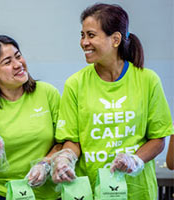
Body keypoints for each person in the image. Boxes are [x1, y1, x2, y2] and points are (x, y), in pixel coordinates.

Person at [52, 3, 173, 200]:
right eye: (82, 35)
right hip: (90, 190)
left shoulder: (147, 80)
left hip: (137, 190)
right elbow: (72, 141)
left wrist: (135, 160)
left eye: (91, 35)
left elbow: (158, 139)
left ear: (115, 39)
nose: (84, 42)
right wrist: (65, 159)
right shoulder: (75, 84)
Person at [0, 35, 62, 200]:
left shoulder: (47, 93)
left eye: (18, 56)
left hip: (46, 195)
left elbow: (64, 141)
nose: (18, 64)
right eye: (7, 62)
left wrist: (44, 164)